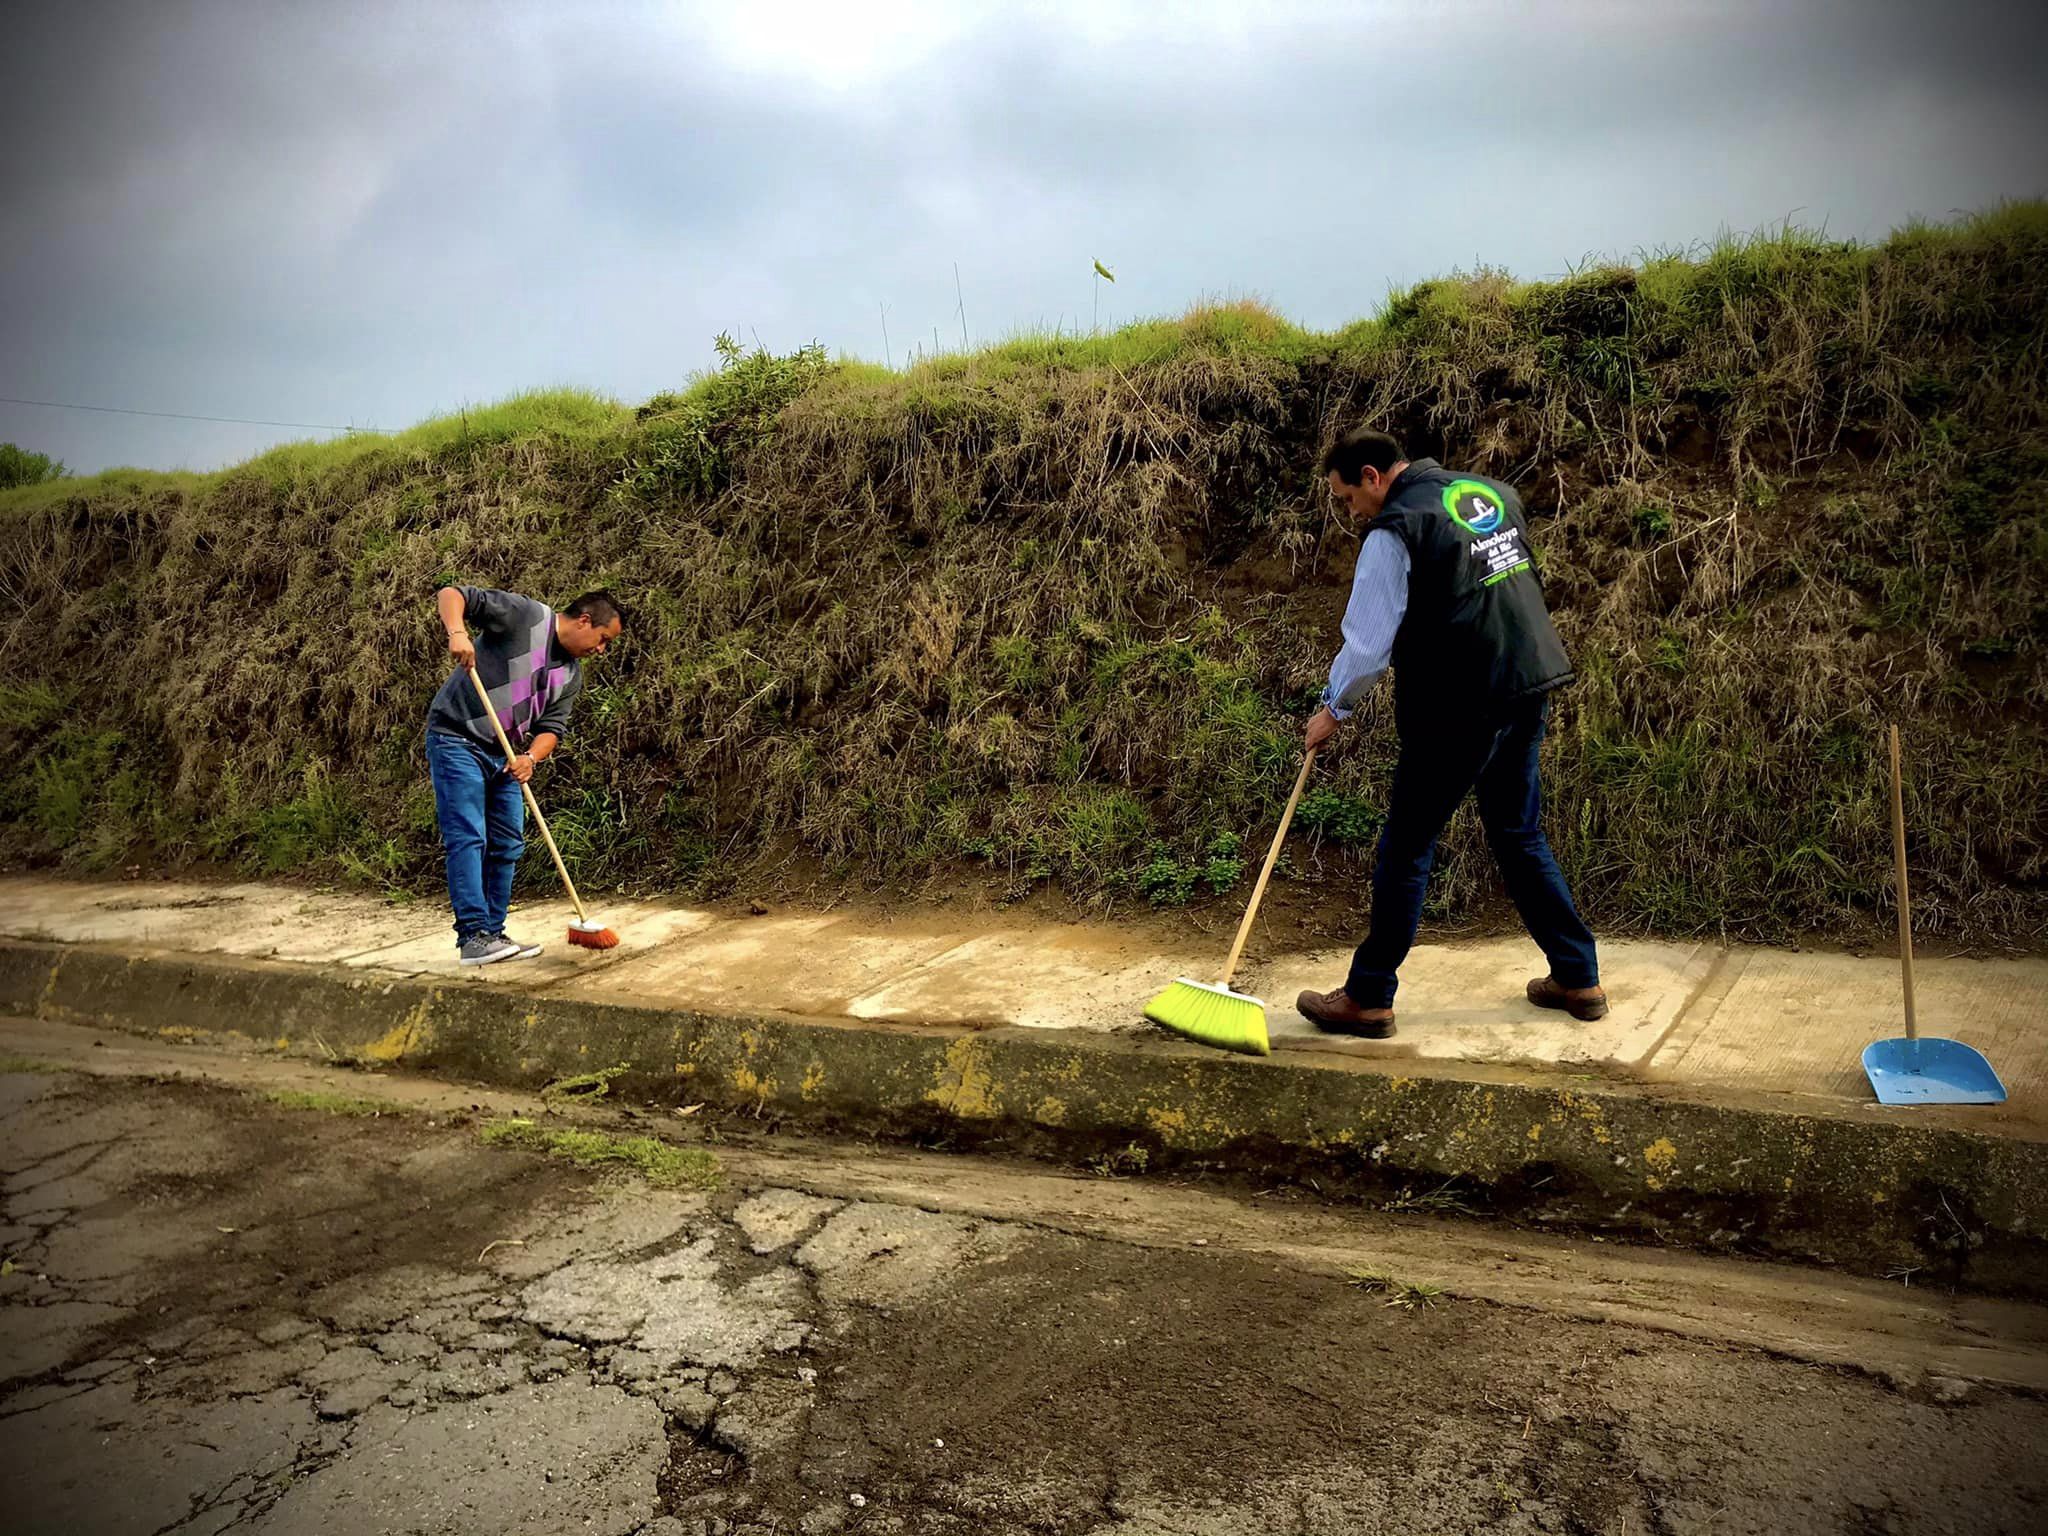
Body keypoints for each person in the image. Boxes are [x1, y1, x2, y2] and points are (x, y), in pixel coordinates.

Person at [1294, 428, 1604, 1038]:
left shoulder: (1396, 529)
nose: (1349, 512)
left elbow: (1368, 643)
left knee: (1407, 847)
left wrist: (1334, 710)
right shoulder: (1491, 493)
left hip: (1460, 704)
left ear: (1372, 476)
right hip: (1527, 681)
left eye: (1346, 497)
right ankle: (1577, 976)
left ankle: (1368, 996)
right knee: (1518, 833)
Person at [424, 585, 623, 965]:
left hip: (505, 754)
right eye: (603, 640)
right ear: (584, 620)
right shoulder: (527, 616)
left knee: (508, 843)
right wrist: (458, 633)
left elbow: (552, 729)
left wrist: (530, 757)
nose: (601, 650)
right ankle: (473, 936)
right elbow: (453, 594)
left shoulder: (570, 675)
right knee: (468, 836)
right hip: (456, 737)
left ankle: (494, 934)